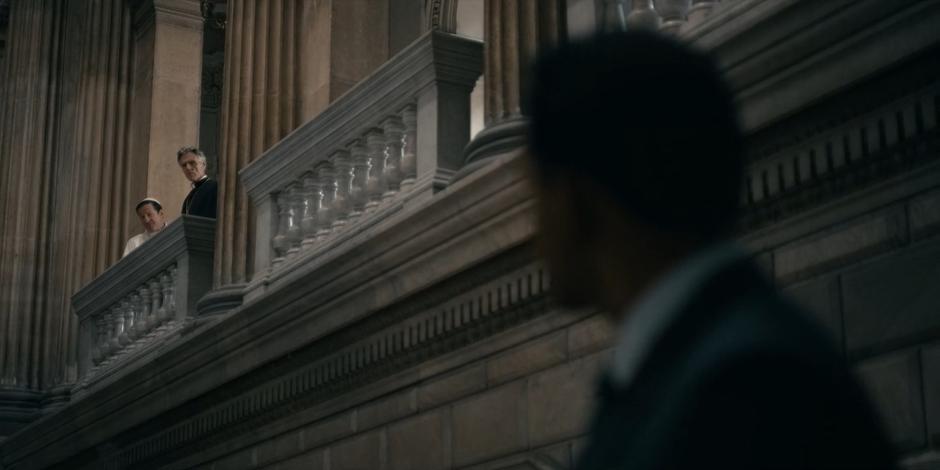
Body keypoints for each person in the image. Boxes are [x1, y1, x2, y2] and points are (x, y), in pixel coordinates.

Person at [526, 32, 895, 469]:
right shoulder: (706, 366)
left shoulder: (744, 390)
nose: (535, 236)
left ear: (575, 201)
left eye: (534, 197)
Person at [178, 146, 217, 218]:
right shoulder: (188, 199)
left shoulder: (215, 187)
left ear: (203, 164)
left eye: (192, 163)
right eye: (184, 165)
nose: (188, 168)